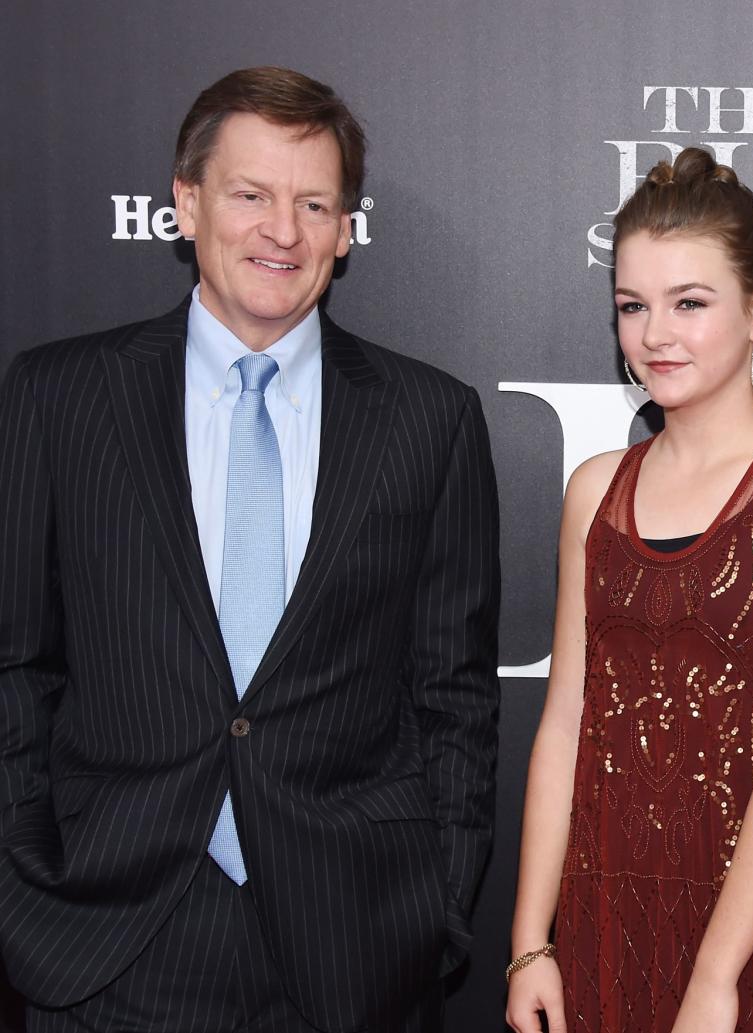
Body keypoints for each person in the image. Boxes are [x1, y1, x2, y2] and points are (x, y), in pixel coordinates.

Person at [0, 67, 500, 1033]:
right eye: (251, 195)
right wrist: (29, 884)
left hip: (353, 948)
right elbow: (17, 664)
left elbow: (454, 695)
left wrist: (432, 909)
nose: (284, 231)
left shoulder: (430, 420)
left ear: (346, 229)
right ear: (186, 204)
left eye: (315, 203)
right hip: (107, 935)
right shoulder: (59, 399)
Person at [505, 148, 753, 1033]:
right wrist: (529, 941)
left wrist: (713, 975)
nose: (654, 334)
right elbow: (564, 726)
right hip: (604, 908)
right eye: (633, 306)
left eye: (689, 303)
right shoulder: (594, 488)